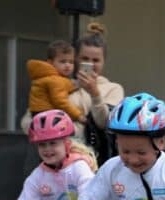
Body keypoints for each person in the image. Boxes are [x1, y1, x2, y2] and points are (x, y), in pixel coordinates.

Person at [21, 22, 124, 164]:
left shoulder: (113, 89)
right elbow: (28, 122)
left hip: (91, 160)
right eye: (85, 59)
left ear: (104, 62)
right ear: (75, 59)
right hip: (49, 161)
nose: (90, 64)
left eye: (96, 60)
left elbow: (105, 123)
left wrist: (94, 94)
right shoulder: (57, 83)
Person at [26, 40, 86, 124]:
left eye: (71, 62)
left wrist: (76, 85)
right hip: (46, 116)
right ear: (50, 62)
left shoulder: (49, 76)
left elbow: (65, 85)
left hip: (39, 114)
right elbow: (61, 102)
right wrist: (79, 116)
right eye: (63, 61)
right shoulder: (54, 80)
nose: (68, 65)